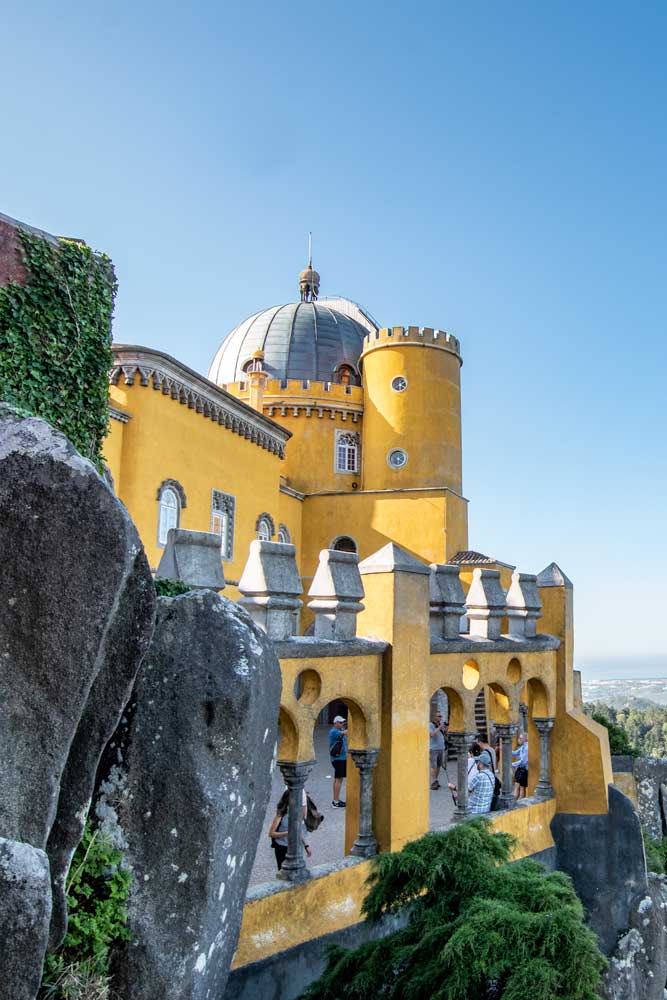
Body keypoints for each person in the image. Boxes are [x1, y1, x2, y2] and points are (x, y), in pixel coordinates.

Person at [268, 790, 312, 871]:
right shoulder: (280, 814)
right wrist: (287, 833)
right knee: (284, 872)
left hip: (296, 847)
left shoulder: (298, 812)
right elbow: (271, 833)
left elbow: (299, 830)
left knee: (297, 870)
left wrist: (306, 845)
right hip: (283, 848)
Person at [447, 749, 495, 814]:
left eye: (477, 762)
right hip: (486, 808)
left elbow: (465, 791)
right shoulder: (491, 775)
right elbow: (478, 792)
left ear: (480, 763)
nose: (476, 763)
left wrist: (454, 787)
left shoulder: (478, 776)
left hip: (475, 809)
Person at [329, 714, 348, 808]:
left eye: (343, 722)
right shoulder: (333, 731)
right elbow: (345, 733)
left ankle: (336, 800)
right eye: (340, 722)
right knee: (339, 779)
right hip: (338, 759)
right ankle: (335, 801)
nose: (342, 724)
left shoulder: (340, 730)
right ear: (335, 723)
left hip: (342, 758)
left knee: (338, 779)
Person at [429, 711, 447, 789]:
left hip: (441, 748)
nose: (440, 718)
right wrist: (440, 727)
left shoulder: (440, 725)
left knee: (438, 765)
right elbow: (431, 734)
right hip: (433, 749)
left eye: (440, 716)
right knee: (433, 766)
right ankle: (433, 782)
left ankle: (435, 780)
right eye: (439, 716)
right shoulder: (431, 724)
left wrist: (446, 729)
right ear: (435, 717)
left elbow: (444, 735)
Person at [512, 733, 529, 799]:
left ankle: (520, 804)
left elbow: (523, 761)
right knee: (517, 786)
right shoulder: (523, 747)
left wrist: (513, 764)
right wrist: (505, 749)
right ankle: (515, 802)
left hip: (524, 771)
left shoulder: (527, 748)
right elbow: (515, 753)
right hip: (520, 769)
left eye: (521, 738)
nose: (519, 739)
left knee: (522, 788)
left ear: (525, 739)